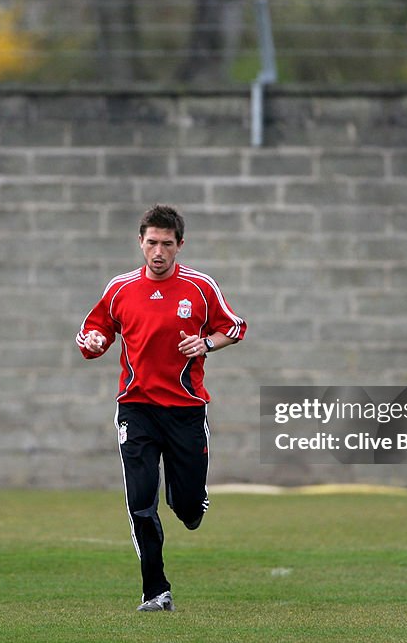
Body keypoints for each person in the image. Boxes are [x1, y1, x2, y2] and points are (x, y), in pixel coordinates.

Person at [76, 203, 247, 612]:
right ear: (140, 242)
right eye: (151, 242)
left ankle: (190, 501)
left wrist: (205, 343)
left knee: (186, 508)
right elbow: (92, 331)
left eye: (167, 244)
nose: (158, 252)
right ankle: (155, 590)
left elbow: (235, 327)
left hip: (185, 410)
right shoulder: (119, 289)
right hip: (136, 410)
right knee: (140, 501)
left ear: (180, 245)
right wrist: (94, 343)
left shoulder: (200, 288)